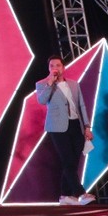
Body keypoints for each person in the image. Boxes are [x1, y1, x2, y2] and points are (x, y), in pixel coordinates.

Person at [34, 55, 95, 205]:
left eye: (58, 65)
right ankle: (81, 193)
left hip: (76, 125)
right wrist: (50, 83)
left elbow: (81, 105)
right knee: (67, 159)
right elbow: (41, 100)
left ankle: (65, 195)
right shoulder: (42, 84)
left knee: (72, 162)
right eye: (52, 66)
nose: (55, 68)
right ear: (49, 69)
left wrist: (87, 127)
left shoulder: (73, 84)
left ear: (63, 68)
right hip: (57, 127)